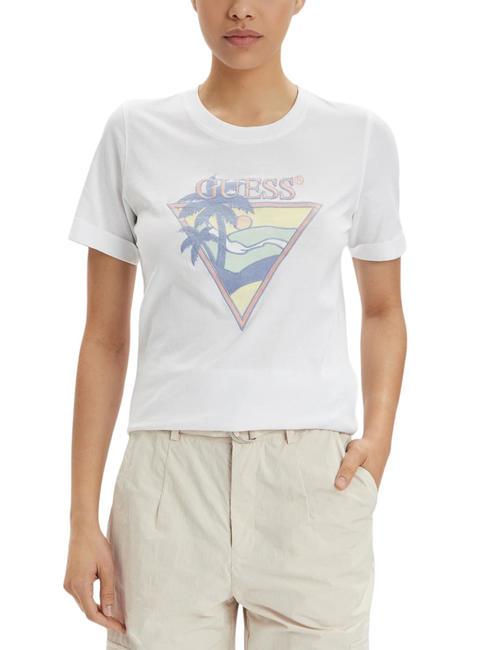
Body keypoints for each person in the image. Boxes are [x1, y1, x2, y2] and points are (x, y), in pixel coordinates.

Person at [63, 1, 407, 649]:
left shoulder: (357, 137)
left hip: (311, 478)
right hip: (167, 480)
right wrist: (83, 518)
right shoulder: (135, 133)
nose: (241, 9)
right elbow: (103, 337)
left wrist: (379, 440)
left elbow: (384, 309)